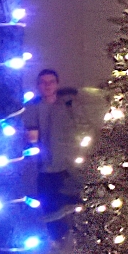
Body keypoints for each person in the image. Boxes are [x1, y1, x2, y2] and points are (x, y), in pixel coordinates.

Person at [24, 69, 82, 240]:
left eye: (51, 82)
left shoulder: (68, 106)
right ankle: (58, 244)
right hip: (45, 170)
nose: (47, 86)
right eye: (43, 82)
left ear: (57, 84)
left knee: (73, 209)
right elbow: (31, 135)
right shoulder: (33, 107)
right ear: (38, 85)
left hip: (68, 168)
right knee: (52, 214)